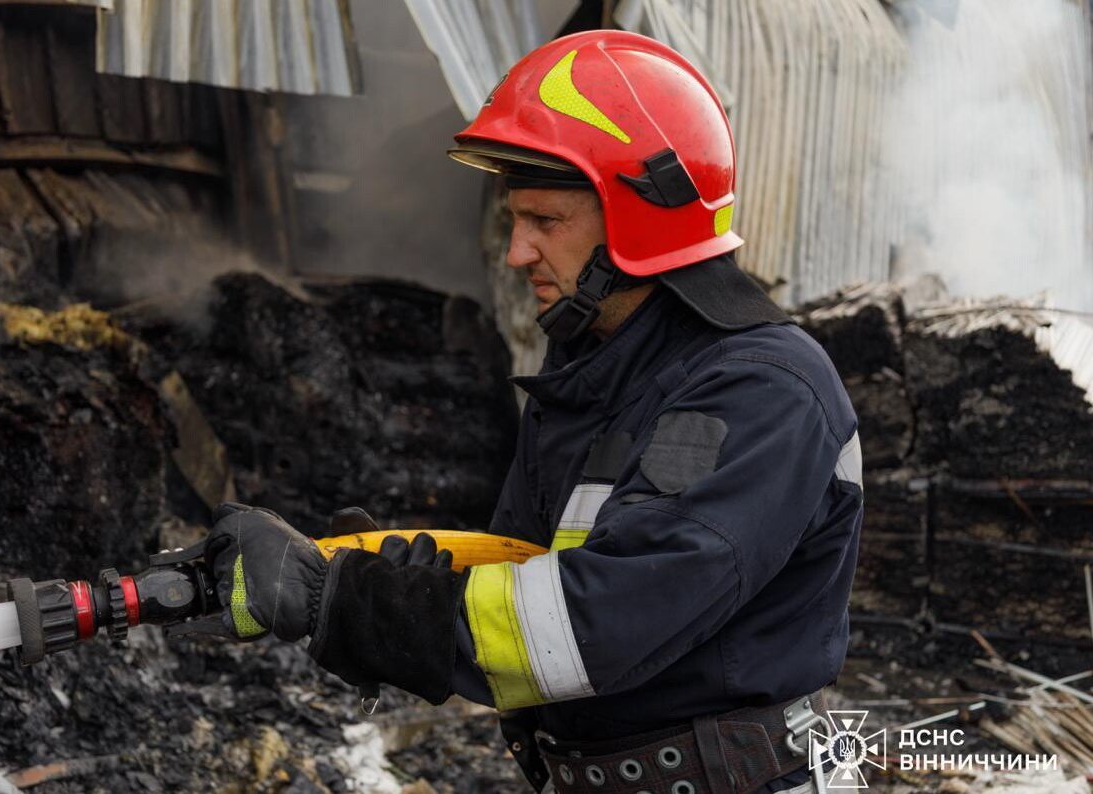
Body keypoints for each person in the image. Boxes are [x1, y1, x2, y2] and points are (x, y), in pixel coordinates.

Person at [206, 30, 863, 794]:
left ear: (642, 222)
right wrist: (371, 570)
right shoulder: (596, 371)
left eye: (546, 222)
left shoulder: (759, 391)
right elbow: (529, 569)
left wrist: (347, 601)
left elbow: (595, 625)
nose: (517, 252)